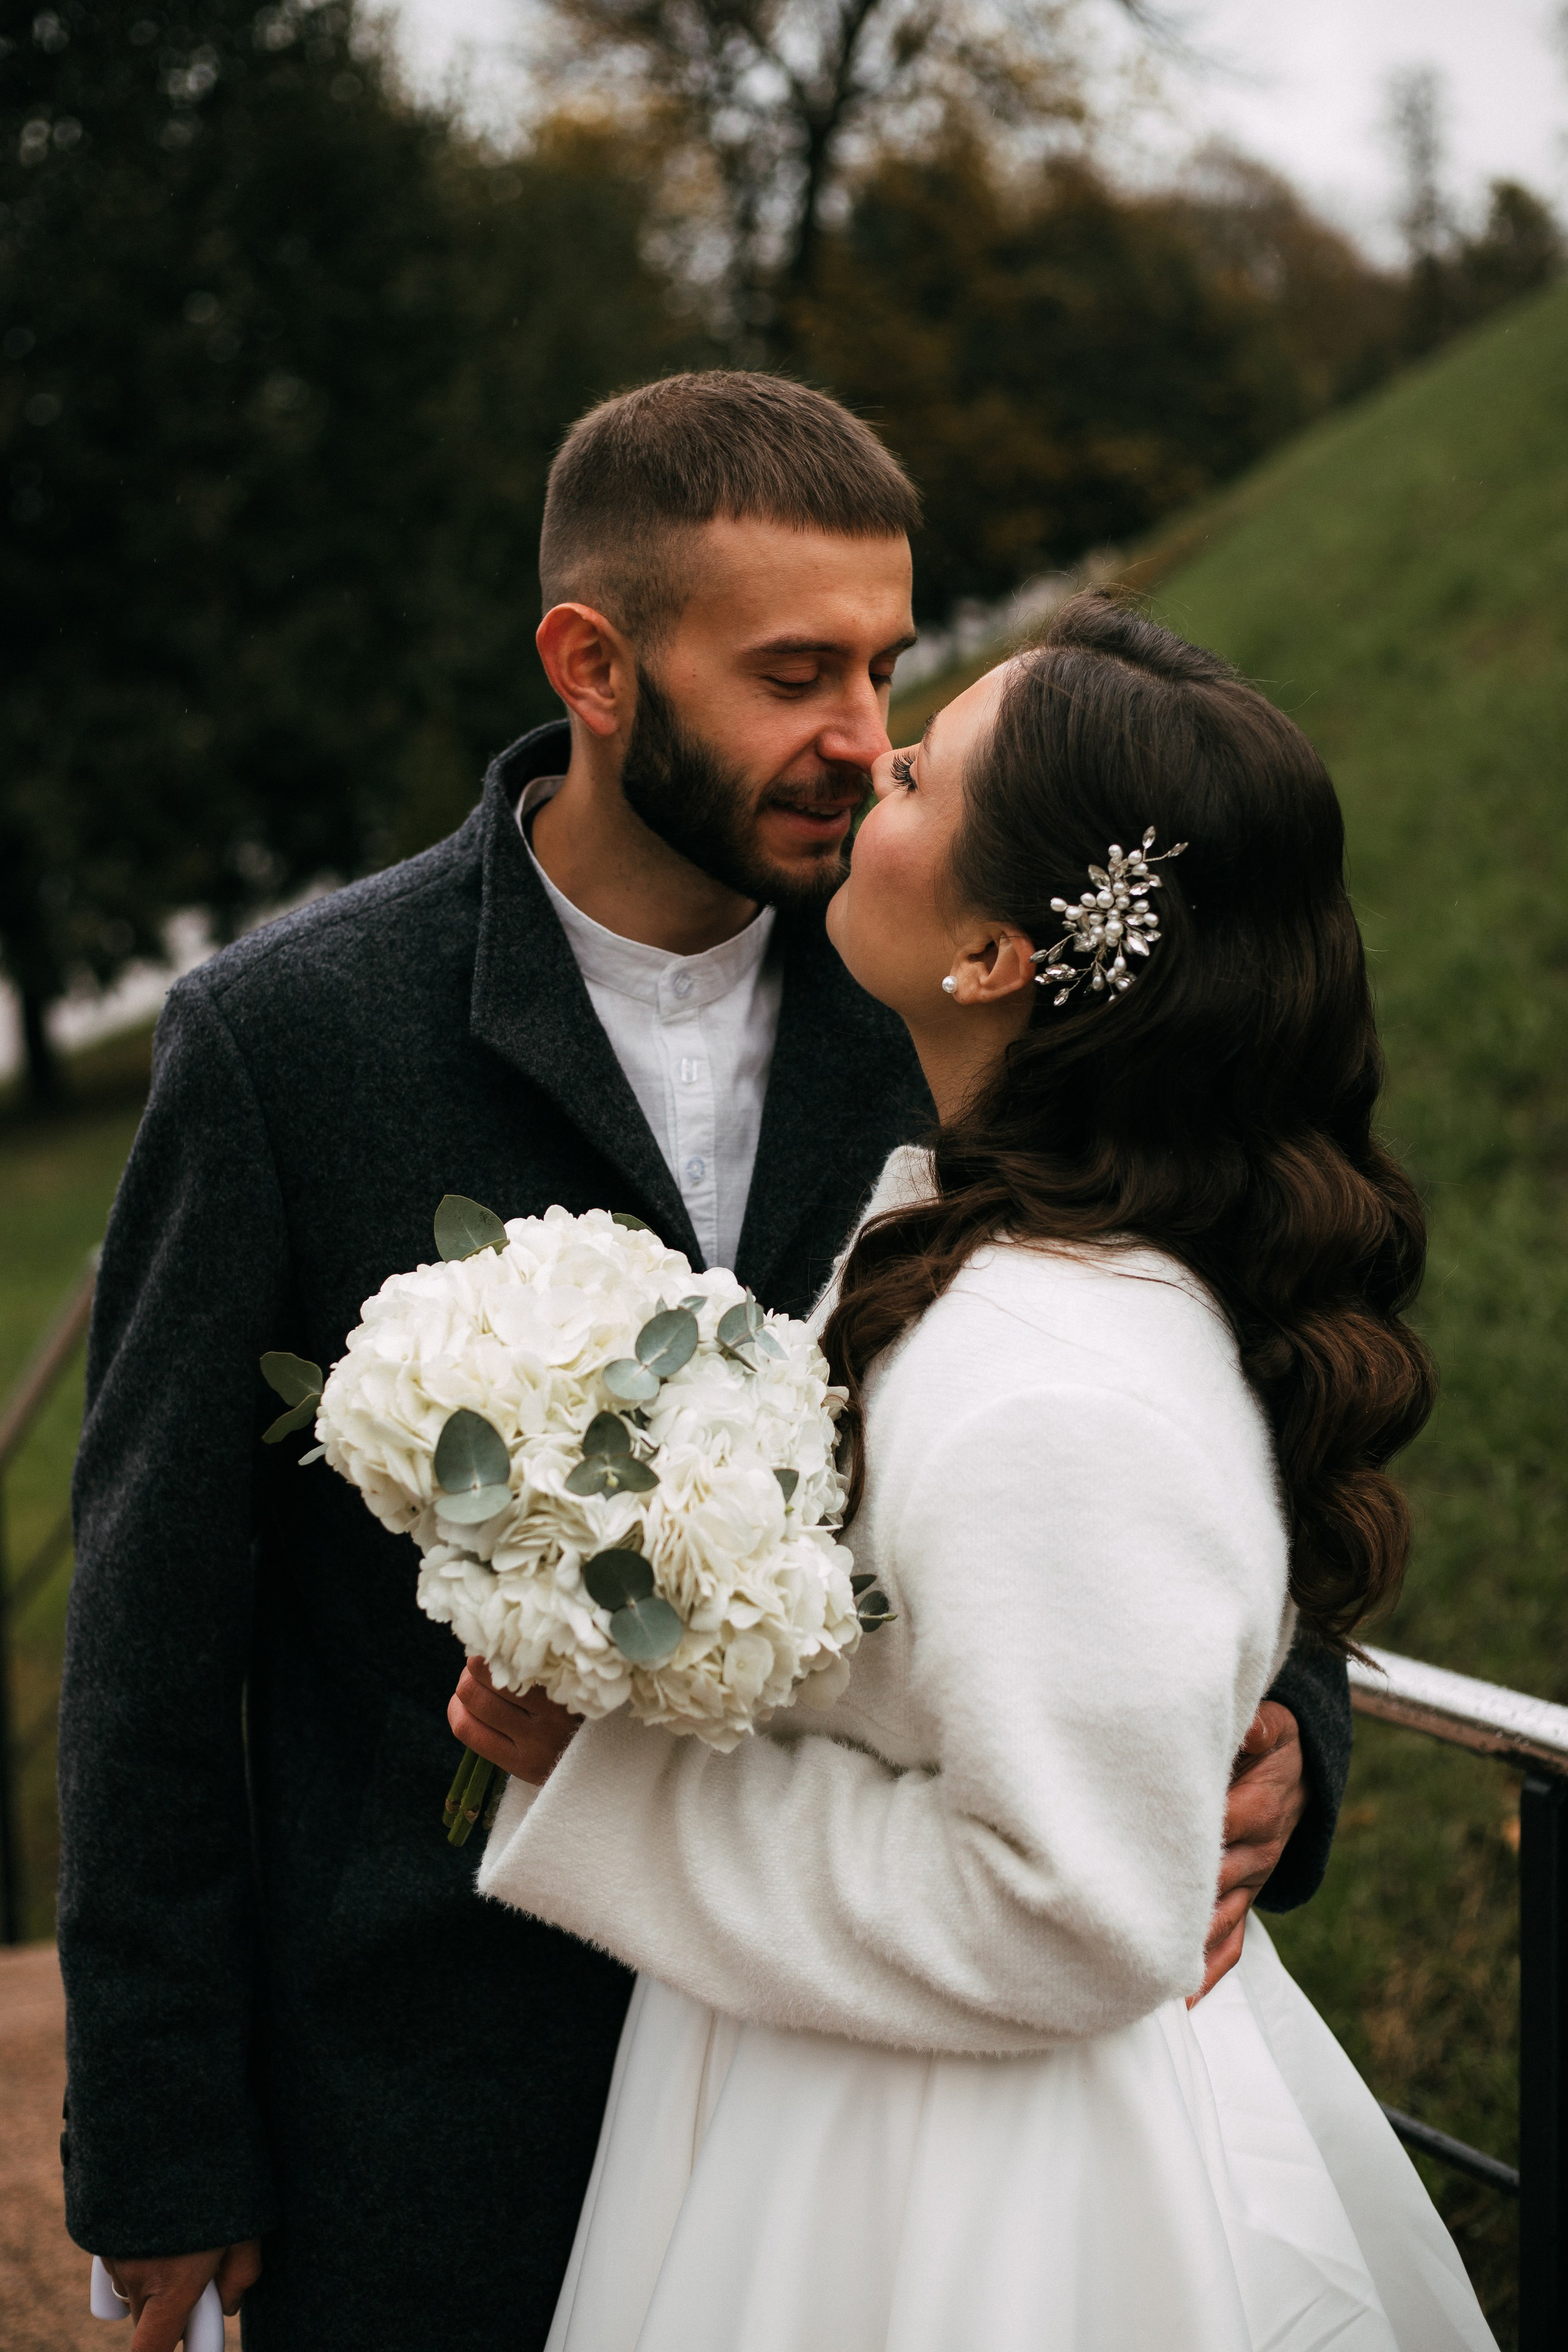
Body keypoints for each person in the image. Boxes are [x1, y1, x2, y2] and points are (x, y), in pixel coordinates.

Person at [59, 378, 1344, 2352]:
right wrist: (159, 2133)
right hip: (427, 2101)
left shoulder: (943, 1005)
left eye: (888, 669)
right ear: (594, 662)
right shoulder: (286, 1040)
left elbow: (1208, 1388)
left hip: (874, 2113)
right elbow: (153, 1625)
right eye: (794, 672)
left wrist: (1283, 1737)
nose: (861, 738)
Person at [459, 594, 1498, 2350]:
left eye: (927, 768)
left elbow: (1071, 1907)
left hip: (966, 2193)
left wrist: (618, 1776)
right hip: (849, 2084)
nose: (874, 761)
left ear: (1001, 954)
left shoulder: (1047, 1375)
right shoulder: (965, 1234)